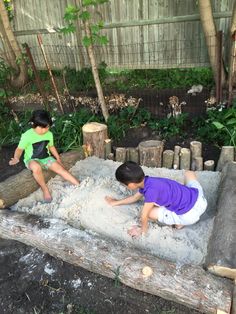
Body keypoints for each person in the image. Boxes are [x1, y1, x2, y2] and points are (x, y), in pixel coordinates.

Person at [105, 161, 207, 238]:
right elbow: (135, 197)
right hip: (199, 199)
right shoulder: (149, 181)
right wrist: (115, 203)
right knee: (189, 173)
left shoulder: (150, 193)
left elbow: (144, 215)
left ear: (131, 184)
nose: (124, 186)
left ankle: (179, 223)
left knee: (150, 213)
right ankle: (181, 202)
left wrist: (142, 231)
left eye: (123, 184)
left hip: (189, 215)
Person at [9, 110, 79, 202]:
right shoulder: (27, 135)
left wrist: (58, 158)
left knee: (61, 169)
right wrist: (16, 158)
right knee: (36, 167)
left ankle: (78, 184)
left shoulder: (49, 134)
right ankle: (45, 189)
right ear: (34, 125)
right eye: (42, 128)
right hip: (32, 160)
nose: (45, 130)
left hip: (46, 158)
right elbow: (19, 149)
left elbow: (51, 146)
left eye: (47, 127)